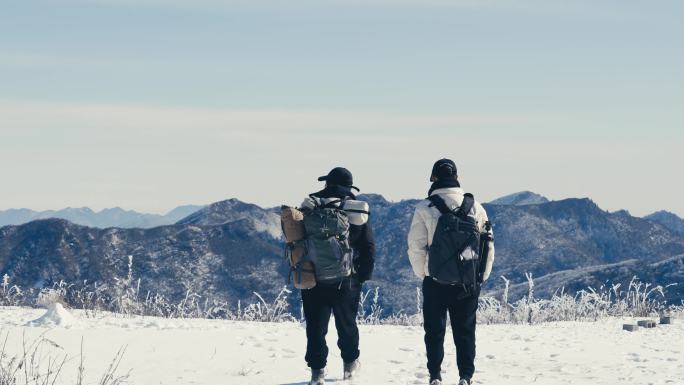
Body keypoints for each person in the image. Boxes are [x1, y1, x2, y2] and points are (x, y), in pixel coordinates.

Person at [407, 159, 495, 385]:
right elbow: (488, 246)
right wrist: (479, 277)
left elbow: (416, 247)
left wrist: (425, 273)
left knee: (434, 332)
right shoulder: (476, 207)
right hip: (467, 281)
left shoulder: (425, 207)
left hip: (435, 280)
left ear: (434, 178)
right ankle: (465, 376)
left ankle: (435, 375)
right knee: (465, 332)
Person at [299, 167, 375, 385]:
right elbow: (368, 246)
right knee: (347, 324)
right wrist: (363, 275)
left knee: (315, 326)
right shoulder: (356, 210)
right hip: (346, 278)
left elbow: (297, 238)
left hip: (313, 277)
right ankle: (349, 367)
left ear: (327, 184)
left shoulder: (310, 205)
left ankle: (317, 372)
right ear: (349, 187)